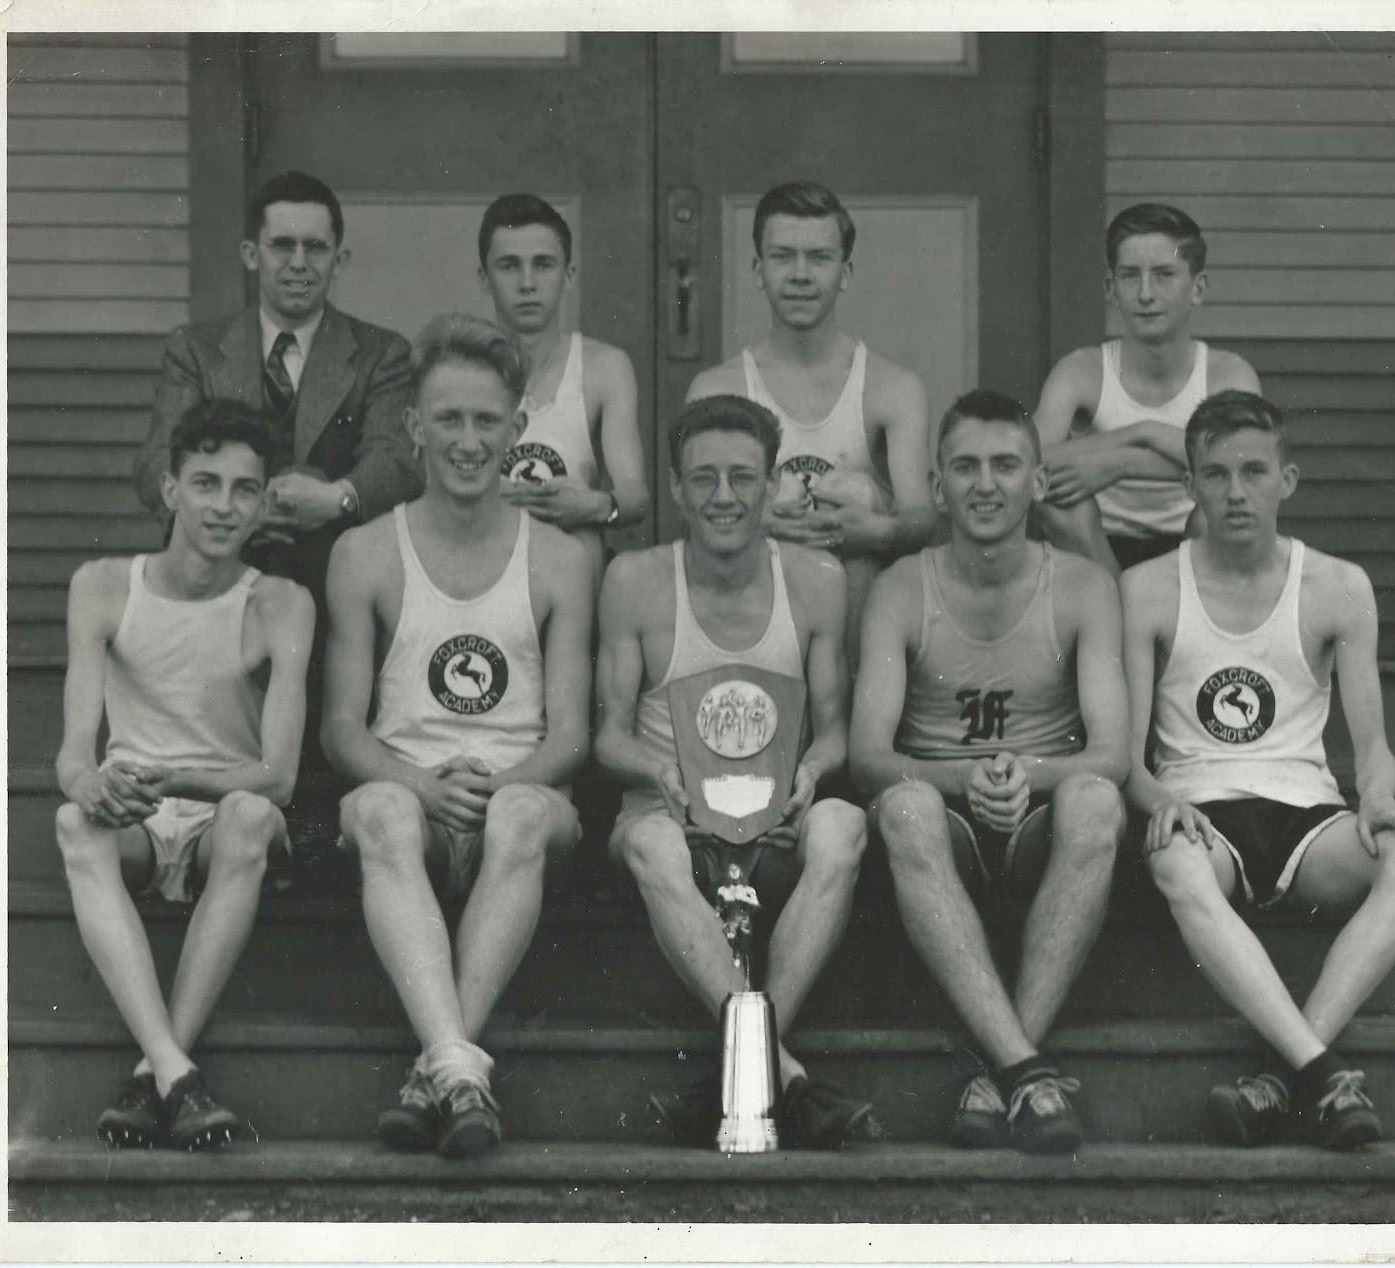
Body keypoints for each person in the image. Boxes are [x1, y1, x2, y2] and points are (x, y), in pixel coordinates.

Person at [1121, 390, 1395, 1151]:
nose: (1235, 493)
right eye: (1214, 475)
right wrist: (1158, 798)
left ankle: (1283, 1074)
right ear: (1189, 486)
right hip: (1201, 815)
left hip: (1307, 818)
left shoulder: (1337, 585)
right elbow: (1126, 755)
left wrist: (1377, 798)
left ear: (1286, 480)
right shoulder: (1145, 588)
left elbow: (1371, 746)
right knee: (1172, 859)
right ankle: (1318, 1072)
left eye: (1253, 472)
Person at [320, 315, 591, 1159]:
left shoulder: (559, 558)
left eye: (486, 421)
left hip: (524, 802)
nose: (468, 441)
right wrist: (420, 783)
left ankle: (433, 1066)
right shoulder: (364, 551)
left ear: (516, 430)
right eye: (448, 420)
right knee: (374, 811)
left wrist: (510, 782)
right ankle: (459, 1071)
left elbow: (573, 731)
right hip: (413, 797)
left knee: (518, 818)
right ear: (414, 428)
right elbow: (339, 727)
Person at [851, 389, 1128, 1154]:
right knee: (902, 809)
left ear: (1037, 482)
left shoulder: (1080, 586)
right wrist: (961, 778)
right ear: (936, 486)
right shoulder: (901, 587)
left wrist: (1029, 774)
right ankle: (1026, 1070)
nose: (985, 484)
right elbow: (867, 755)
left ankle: (1003, 1066)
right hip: (943, 827)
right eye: (965, 466)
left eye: (1006, 465)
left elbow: (1111, 753)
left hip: (1037, 822)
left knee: (1096, 802)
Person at [596, 394, 873, 1150]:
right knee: (651, 845)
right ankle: (779, 1073)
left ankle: (744, 1065)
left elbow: (837, 729)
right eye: (704, 478)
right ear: (678, 489)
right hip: (671, 820)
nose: (723, 496)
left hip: (777, 815)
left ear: (773, 483)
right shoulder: (635, 579)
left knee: (844, 825)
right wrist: (662, 771)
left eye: (743, 477)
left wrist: (814, 769)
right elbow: (607, 737)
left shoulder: (816, 579)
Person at [54, 401, 314, 1151]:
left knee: (253, 821)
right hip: (135, 808)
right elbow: (74, 752)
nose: (223, 506)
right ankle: (173, 1072)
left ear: (264, 503)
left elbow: (278, 777)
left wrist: (174, 779)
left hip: (217, 811)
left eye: (243, 489)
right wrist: (89, 785)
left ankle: (154, 1072)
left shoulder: (280, 603)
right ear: (170, 490)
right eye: (205, 483)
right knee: (75, 824)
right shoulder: (103, 585)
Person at [133, 171, 420, 840]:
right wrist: (236, 506)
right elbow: (154, 466)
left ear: (338, 258)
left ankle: (322, 819)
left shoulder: (380, 352)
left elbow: (397, 460)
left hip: (333, 564)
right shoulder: (197, 350)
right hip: (226, 563)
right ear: (251, 254)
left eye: (315, 248)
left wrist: (338, 496)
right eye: (282, 245)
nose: (298, 264)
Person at [686, 181, 936, 663]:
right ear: (758, 270)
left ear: (845, 274)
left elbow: (920, 517)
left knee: (859, 510)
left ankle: (848, 720)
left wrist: (872, 531)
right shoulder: (716, 388)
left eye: (819, 258)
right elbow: (694, 515)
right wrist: (758, 523)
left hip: (854, 594)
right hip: (750, 584)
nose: (800, 274)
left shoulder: (891, 387)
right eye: (783, 257)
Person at [1033, 203, 1260, 574]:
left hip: (1197, 547)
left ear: (1197, 288)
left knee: (1216, 507)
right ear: (1111, 288)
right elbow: (1032, 463)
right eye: (1129, 276)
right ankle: (1119, 609)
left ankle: (1175, 615)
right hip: (1097, 548)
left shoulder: (1227, 374)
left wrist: (1130, 452)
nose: (1145, 294)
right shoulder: (1082, 370)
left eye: (1163, 275)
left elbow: (1245, 464)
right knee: (1058, 504)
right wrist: (1167, 447)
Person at [477, 193, 650, 590]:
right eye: (508, 266)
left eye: (543, 265)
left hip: (565, 567)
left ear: (568, 276)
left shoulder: (604, 367)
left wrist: (596, 505)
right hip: (476, 555)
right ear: (484, 279)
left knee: (584, 541)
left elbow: (634, 494)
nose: (527, 283)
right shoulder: (459, 366)